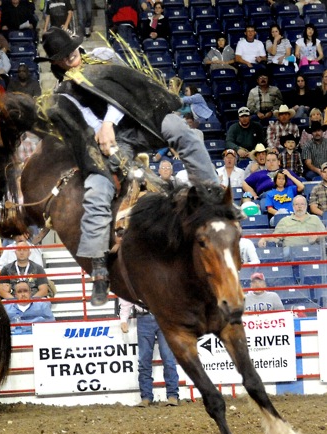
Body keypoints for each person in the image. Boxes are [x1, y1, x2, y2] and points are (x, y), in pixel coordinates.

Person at [36, 27, 219, 305]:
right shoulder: (63, 96)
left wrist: (108, 122)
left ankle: (212, 196)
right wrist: (102, 139)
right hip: (112, 143)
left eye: (70, 50)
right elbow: (83, 129)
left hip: (140, 119)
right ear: (57, 62)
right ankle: (99, 267)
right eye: (63, 56)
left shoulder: (102, 57)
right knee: (97, 189)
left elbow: (128, 90)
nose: (70, 56)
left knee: (181, 130)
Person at [119, 299, 179, 407]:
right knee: (145, 359)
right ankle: (148, 396)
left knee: (166, 357)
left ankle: (171, 395)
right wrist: (123, 319)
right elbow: (127, 297)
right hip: (148, 317)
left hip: (161, 316)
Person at [258, 195, 326, 248]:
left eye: (302, 204)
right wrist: (264, 238)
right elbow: (275, 237)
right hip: (290, 253)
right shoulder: (284, 221)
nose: (299, 207)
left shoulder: (315, 219)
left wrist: (317, 236)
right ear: (293, 206)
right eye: (296, 204)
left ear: (306, 206)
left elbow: (324, 234)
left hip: (312, 251)